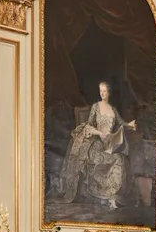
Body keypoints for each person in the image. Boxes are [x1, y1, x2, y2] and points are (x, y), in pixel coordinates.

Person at [54, 81, 135, 209]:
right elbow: (89, 124)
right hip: (95, 143)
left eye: (104, 91)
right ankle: (107, 197)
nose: (102, 93)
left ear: (109, 93)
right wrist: (99, 133)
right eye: (100, 91)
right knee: (106, 159)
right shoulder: (96, 107)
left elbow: (120, 122)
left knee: (120, 159)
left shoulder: (113, 110)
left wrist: (129, 125)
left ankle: (113, 197)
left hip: (108, 145)